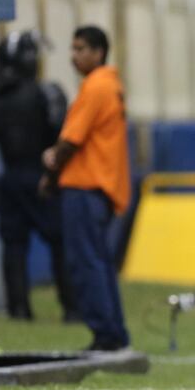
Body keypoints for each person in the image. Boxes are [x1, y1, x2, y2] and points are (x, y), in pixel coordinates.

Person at [0, 30, 78, 322]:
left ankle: (19, 309)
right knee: (60, 242)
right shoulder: (46, 92)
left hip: (11, 177)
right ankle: (71, 306)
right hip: (43, 177)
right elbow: (60, 133)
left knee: (14, 245)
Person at [41, 26, 131, 351]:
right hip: (100, 188)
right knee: (100, 262)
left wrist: (51, 172)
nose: (74, 55)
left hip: (85, 187)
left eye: (80, 49)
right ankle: (114, 332)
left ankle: (106, 335)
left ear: (98, 52)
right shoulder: (112, 84)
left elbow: (71, 141)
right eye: (73, 48)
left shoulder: (95, 86)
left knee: (86, 264)